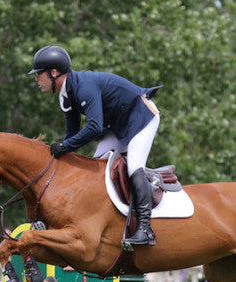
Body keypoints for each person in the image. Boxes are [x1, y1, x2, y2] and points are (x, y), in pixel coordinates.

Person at [29, 45, 161, 247]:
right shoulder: (66, 95)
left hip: (141, 118)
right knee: (97, 169)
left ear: (53, 73)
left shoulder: (84, 87)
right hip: (118, 126)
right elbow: (72, 135)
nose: (37, 79)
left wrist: (65, 146)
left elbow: (93, 127)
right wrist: (60, 152)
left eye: (39, 74)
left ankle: (145, 229)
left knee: (135, 166)